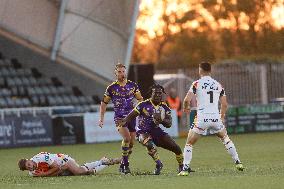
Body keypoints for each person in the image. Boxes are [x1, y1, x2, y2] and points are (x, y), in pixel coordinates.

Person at [178, 62, 244, 176]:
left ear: (200, 70)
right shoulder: (218, 85)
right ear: (210, 70)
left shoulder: (196, 84)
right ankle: (238, 162)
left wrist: (186, 108)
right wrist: (221, 117)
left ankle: (185, 169)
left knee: (189, 143)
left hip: (202, 117)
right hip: (215, 117)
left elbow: (186, 100)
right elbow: (224, 104)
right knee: (225, 138)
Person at [118, 84, 184, 175]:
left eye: (160, 93)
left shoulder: (164, 107)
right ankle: (158, 164)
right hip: (142, 131)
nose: (158, 95)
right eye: (155, 93)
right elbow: (130, 116)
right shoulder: (143, 105)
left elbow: (169, 124)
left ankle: (182, 166)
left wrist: (161, 120)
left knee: (176, 148)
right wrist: (123, 121)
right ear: (151, 94)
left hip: (156, 131)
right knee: (149, 144)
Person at [99, 63, 143, 174]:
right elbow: (104, 103)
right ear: (115, 73)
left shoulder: (133, 85)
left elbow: (140, 99)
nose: (122, 73)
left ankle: (123, 163)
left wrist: (141, 112)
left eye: (123, 71)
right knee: (127, 138)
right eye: (119, 72)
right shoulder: (111, 88)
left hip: (132, 117)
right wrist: (101, 118)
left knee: (132, 143)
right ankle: (126, 165)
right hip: (119, 118)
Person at [18, 152, 120, 177]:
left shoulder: (41, 158)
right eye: (28, 168)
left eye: (29, 164)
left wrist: (44, 175)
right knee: (84, 171)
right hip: (60, 168)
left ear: (29, 160)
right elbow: (55, 172)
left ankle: (104, 162)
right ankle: (103, 161)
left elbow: (56, 167)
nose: (30, 167)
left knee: (79, 172)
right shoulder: (32, 173)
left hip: (63, 160)